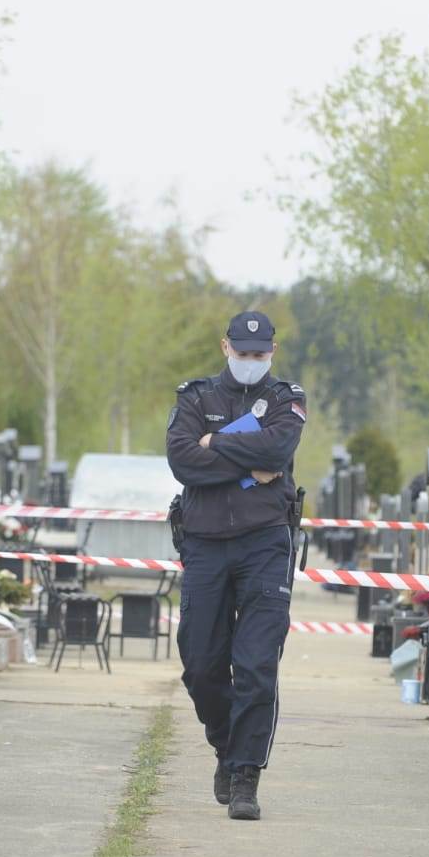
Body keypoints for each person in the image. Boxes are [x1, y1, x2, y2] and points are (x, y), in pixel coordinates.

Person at [164, 310, 308, 821]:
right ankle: (226, 745)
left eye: (260, 354)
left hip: (265, 544)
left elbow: (279, 447)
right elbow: (183, 461)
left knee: (256, 665)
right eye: (243, 353)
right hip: (204, 543)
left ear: (272, 352)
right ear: (225, 347)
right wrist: (250, 460)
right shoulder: (196, 398)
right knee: (201, 664)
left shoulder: (286, 399)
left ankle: (245, 774)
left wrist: (216, 444)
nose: (251, 361)